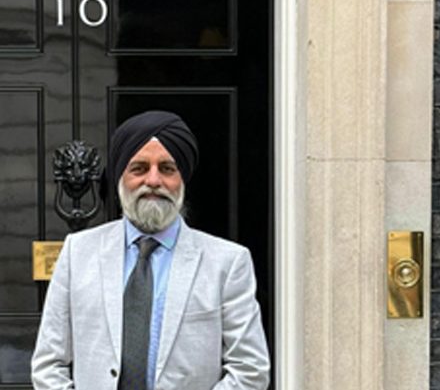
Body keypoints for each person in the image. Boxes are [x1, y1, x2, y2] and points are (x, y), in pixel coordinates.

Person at [32, 111, 270, 390]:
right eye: (140, 168)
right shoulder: (78, 253)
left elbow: (250, 369)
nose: (154, 180)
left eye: (167, 169)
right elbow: (48, 364)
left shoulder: (227, 263)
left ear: (182, 179)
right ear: (120, 178)